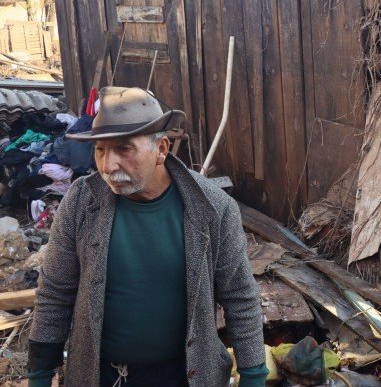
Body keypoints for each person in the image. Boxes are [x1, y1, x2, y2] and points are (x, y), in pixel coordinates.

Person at [26, 87, 267, 386]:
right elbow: (55, 291)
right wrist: (39, 372)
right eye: (100, 150)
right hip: (101, 376)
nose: (108, 166)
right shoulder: (81, 201)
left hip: (185, 376)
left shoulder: (213, 208)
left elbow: (240, 297)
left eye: (124, 149)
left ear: (162, 149)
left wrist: (253, 374)